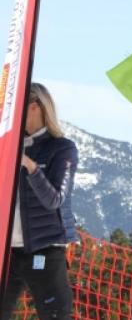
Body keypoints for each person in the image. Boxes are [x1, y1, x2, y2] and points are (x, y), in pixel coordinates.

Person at [1, 83, 78, 320]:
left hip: (45, 249)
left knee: (56, 315)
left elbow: (54, 200)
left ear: (34, 106)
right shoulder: (7, 147)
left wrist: (30, 165)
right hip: (8, 251)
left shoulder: (62, 148)